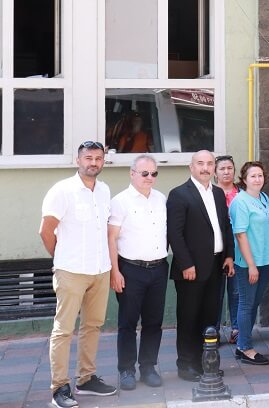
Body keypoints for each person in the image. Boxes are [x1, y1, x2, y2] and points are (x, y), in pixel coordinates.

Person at [39, 141, 118, 407]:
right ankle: (59, 387)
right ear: (78, 160)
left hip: (100, 270)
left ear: (103, 161)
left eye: (98, 158)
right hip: (71, 271)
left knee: (92, 326)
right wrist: (61, 257)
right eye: (88, 158)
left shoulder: (104, 190)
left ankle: (86, 379)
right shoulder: (62, 190)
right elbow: (45, 231)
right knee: (63, 330)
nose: (93, 163)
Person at [167, 150, 235, 382]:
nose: (205, 168)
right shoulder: (179, 194)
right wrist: (186, 264)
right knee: (189, 318)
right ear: (191, 167)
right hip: (191, 270)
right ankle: (186, 365)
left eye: (209, 163)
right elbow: (175, 234)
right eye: (200, 163)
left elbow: (225, 226)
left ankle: (206, 363)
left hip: (216, 266)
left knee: (209, 318)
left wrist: (228, 255)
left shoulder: (217, 193)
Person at [107, 155, 168, 391]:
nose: (149, 177)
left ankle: (148, 367)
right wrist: (115, 271)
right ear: (132, 173)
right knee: (128, 323)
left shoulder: (161, 199)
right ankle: (126, 370)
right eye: (145, 173)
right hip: (130, 269)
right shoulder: (120, 201)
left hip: (158, 268)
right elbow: (111, 238)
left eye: (154, 173)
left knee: (154, 322)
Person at [230, 162, 269, 365]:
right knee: (246, 304)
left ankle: (243, 343)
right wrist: (251, 265)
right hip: (248, 263)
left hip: (265, 261)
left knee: (254, 304)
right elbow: (240, 234)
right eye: (253, 176)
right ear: (244, 179)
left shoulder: (263, 198)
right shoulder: (240, 201)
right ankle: (245, 348)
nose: (257, 179)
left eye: (260, 175)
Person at [214, 155, 240, 344]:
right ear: (215, 173)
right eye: (222, 169)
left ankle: (237, 328)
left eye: (229, 168)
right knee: (215, 293)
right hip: (216, 249)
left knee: (236, 291)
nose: (226, 172)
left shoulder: (242, 194)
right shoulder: (210, 193)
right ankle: (213, 330)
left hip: (239, 248)